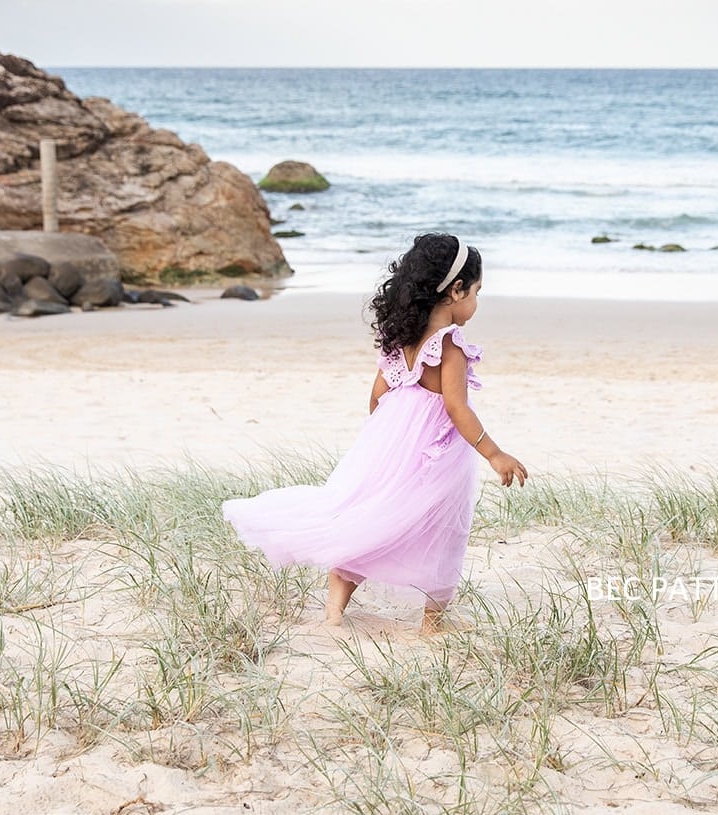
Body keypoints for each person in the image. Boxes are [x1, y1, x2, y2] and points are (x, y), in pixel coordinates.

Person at [221, 233, 528, 635]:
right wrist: (494, 453)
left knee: (373, 517)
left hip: (391, 446)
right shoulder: (449, 344)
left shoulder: (400, 338)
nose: (476, 301)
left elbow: (378, 397)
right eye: (476, 291)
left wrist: (386, 441)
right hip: (437, 455)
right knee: (444, 529)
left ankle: (334, 610)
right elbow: (456, 407)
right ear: (455, 291)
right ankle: (433, 622)